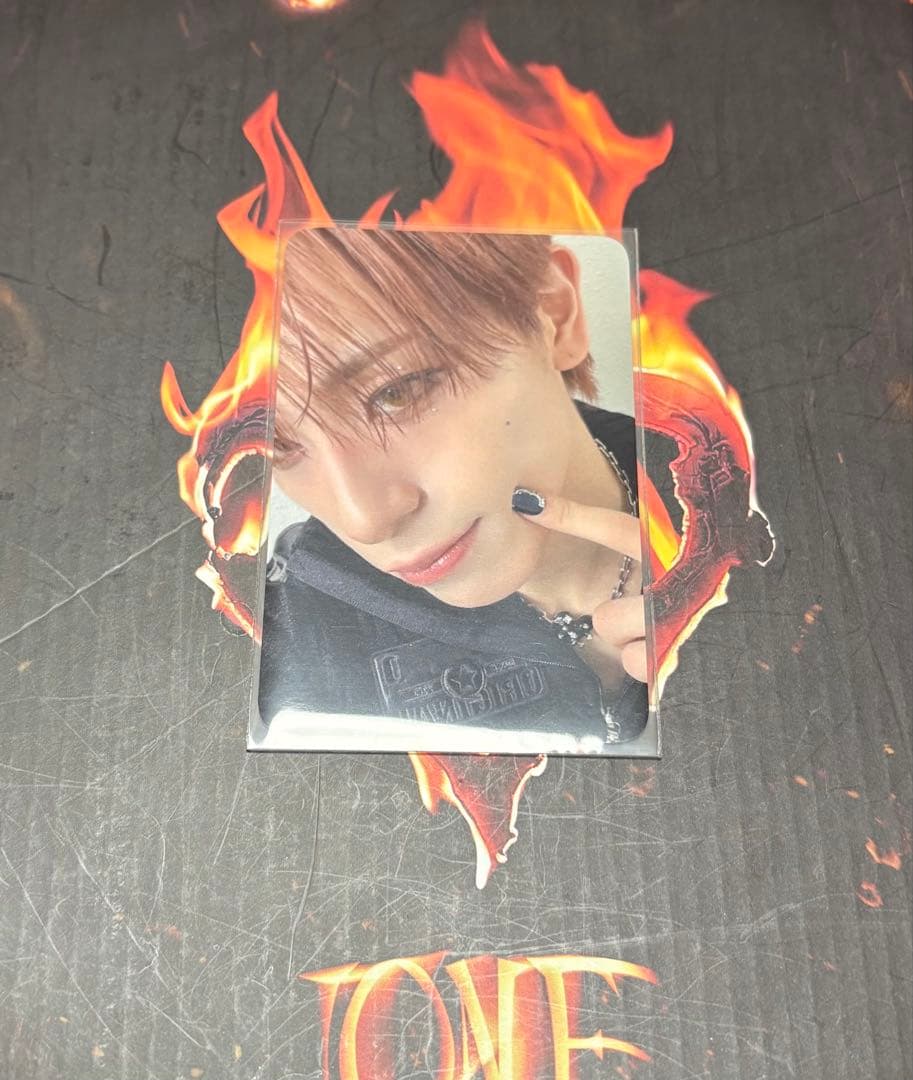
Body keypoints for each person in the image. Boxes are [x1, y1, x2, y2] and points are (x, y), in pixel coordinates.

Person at [257, 227, 650, 753]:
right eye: (279, 445)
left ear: (552, 315)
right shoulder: (290, 622)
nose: (363, 520)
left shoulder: (737, 502)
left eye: (395, 393)